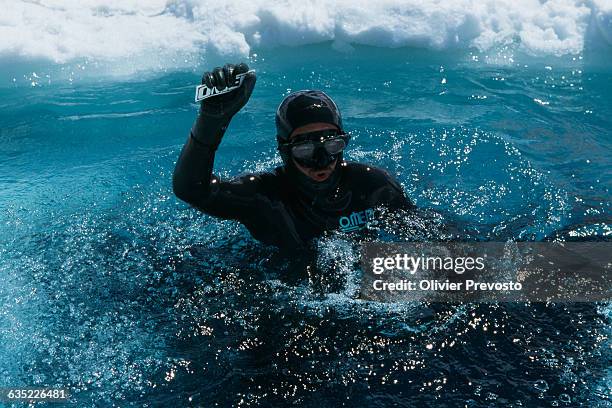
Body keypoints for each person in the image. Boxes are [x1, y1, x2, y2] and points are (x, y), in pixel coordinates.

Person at [173, 62, 414, 250]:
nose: (322, 162)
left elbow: (435, 239)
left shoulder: (373, 186)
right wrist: (211, 122)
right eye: (305, 150)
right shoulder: (266, 197)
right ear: (284, 150)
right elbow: (192, 190)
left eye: (332, 146)